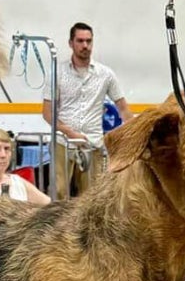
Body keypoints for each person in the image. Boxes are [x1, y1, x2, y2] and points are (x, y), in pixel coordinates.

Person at [41, 22, 130, 197]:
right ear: (70, 43)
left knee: (91, 197)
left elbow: (124, 109)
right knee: (59, 193)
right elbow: (47, 113)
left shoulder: (106, 74)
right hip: (63, 144)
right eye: (80, 41)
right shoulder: (56, 73)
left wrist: (137, 134)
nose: (85, 46)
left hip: (93, 144)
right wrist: (69, 132)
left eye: (88, 41)